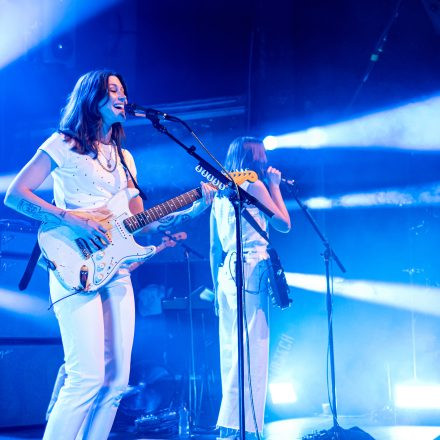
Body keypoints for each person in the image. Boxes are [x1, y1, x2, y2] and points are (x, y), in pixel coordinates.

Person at [4, 69, 215, 440]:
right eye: (113, 90)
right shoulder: (62, 144)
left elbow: (139, 223)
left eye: (123, 90)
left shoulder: (125, 159)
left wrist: (191, 207)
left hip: (114, 270)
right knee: (86, 375)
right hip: (74, 261)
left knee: (116, 381)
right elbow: (16, 194)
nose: (122, 95)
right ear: (93, 98)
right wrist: (72, 219)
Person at [210, 136, 291, 439]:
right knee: (253, 347)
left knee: (231, 349)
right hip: (251, 266)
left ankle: (232, 426)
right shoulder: (255, 185)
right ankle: (239, 427)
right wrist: (275, 186)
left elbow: (214, 247)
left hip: (226, 272)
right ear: (256, 158)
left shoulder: (220, 192)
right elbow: (283, 223)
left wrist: (216, 289)